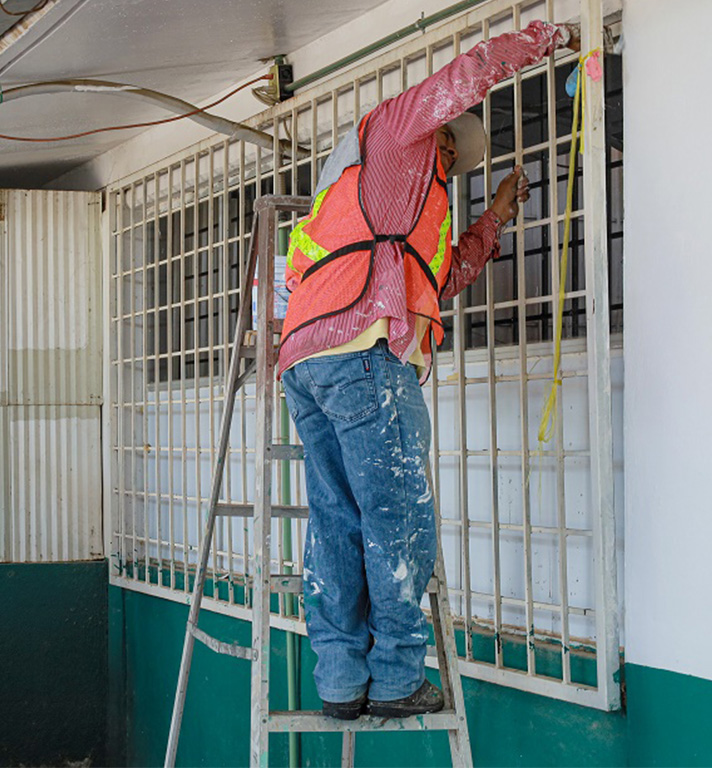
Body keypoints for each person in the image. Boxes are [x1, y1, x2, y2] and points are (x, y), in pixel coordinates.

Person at [280, 20, 581, 719]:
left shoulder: (386, 209)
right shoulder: (392, 133)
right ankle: (394, 677)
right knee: (399, 516)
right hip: (363, 346)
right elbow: (467, 74)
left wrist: (495, 216)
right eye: (446, 143)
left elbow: (441, 279)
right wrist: (549, 37)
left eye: (452, 156)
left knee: (337, 519)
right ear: (430, 131)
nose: (448, 158)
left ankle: (340, 681)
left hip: (309, 357)